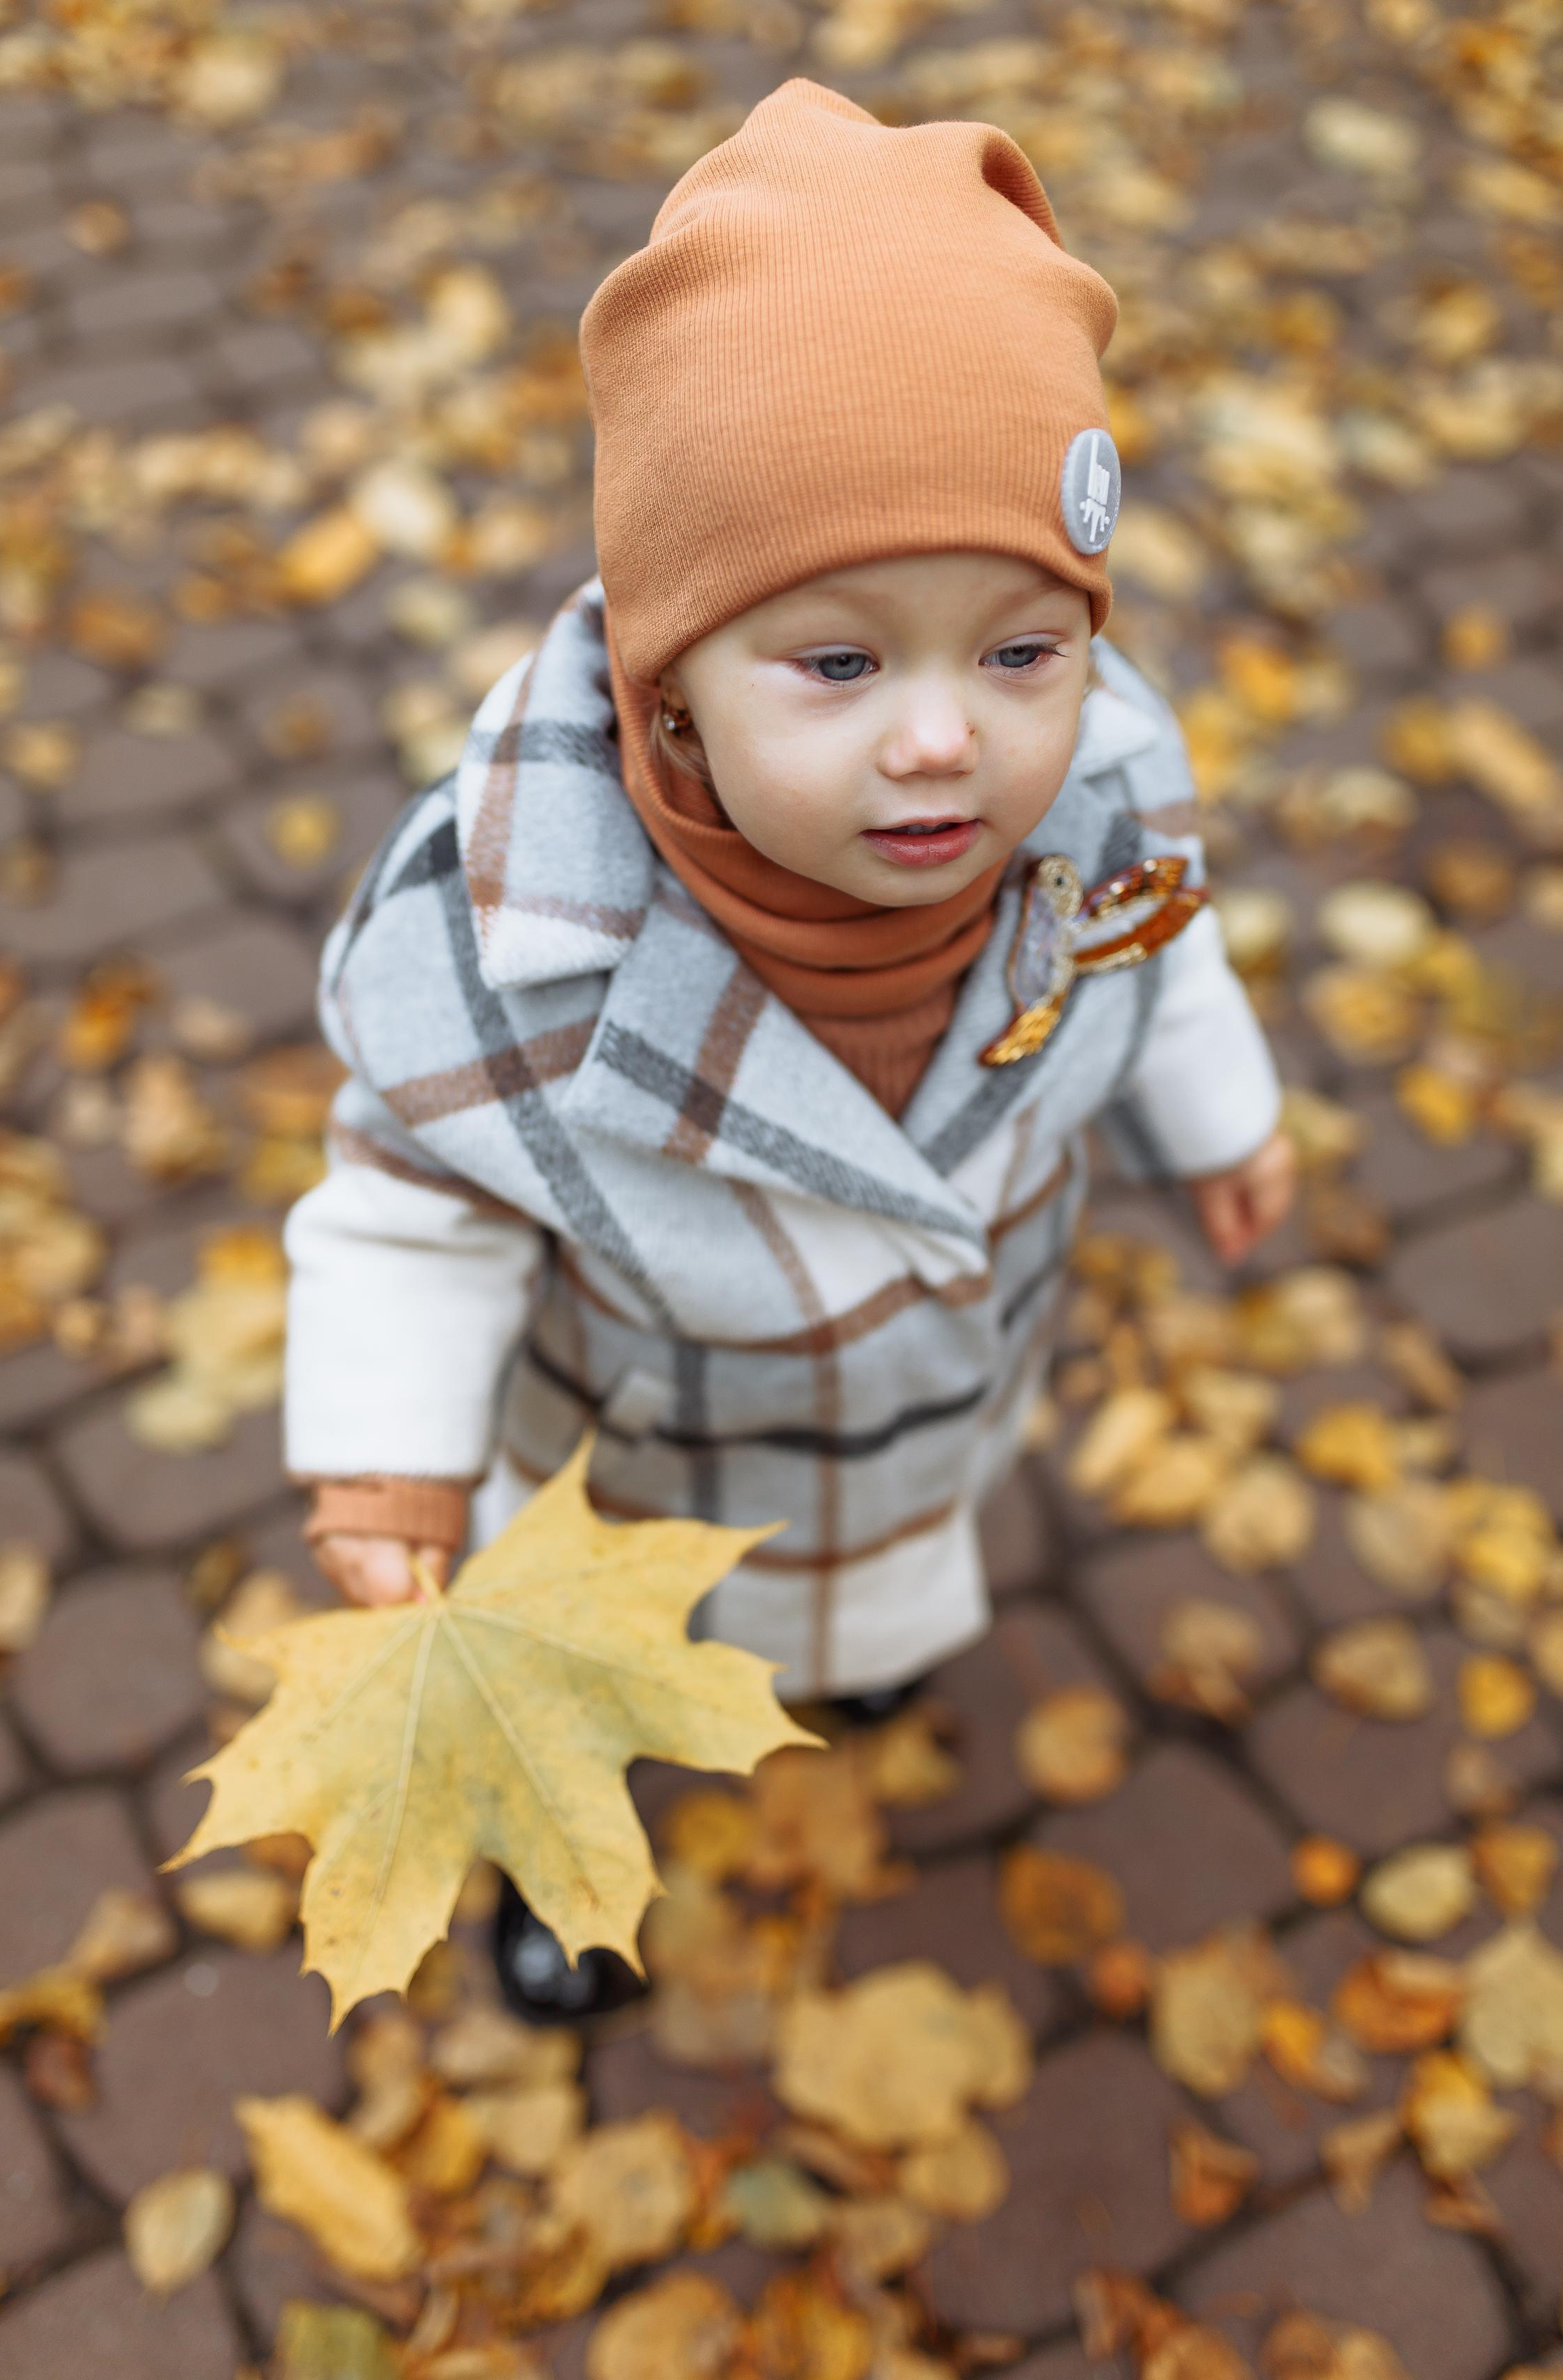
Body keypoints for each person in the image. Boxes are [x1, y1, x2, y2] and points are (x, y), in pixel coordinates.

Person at [282, 78, 1296, 2019]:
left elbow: (1156, 948)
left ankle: (866, 1638)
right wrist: (385, 1458)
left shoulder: (1097, 789)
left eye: (1021, 648)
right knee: (599, 1676)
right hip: (638, 1476)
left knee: (880, 1561)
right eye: (838, 662)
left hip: (926, 1396)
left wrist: (1219, 1114)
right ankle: (567, 1862)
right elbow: (410, 1202)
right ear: (668, 691)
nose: (945, 738)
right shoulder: (513, 945)